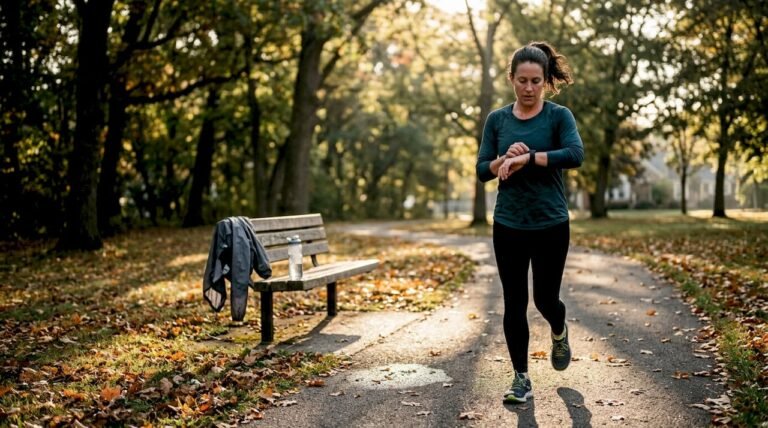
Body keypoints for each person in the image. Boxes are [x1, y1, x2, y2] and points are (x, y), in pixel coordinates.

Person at [475, 41, 584, 404]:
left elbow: (574, 154)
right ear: (511, 79)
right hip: (509, 224)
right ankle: (521, 377)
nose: (528, 88)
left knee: (545, 299)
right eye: (522, 80)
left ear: (545, 81)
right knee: (514, 302)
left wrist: (529, 158)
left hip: (551, 223)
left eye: (536, 81)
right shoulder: (497, 120)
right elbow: (481, 170)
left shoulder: (558, 116)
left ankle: (558, 325)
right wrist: (503, 159)